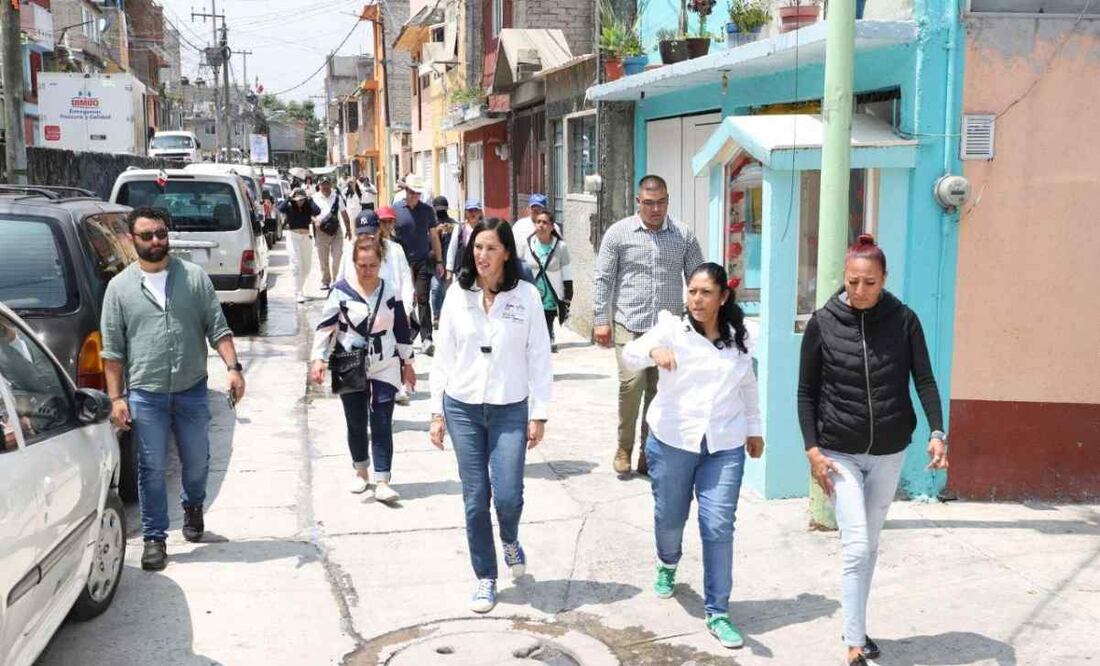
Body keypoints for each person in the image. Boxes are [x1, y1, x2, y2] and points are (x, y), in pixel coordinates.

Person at [798, 234, 948, 666]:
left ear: (884, 280)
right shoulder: (824, 322)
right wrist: (812, 449)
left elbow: (924, 379)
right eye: (853, 282)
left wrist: (938, 431)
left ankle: (858, 629)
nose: (860, 291)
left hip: (889, 448)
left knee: (872, 543)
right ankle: (852, 645)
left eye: (869, 283)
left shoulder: (904, 320)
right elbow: (806, 392)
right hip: (838, 451)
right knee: (857, 546)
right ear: (843, 279)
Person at [622, 262, 763, 650]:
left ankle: (717, 611)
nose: (697, 300)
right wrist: (654, 349)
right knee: (670, 518)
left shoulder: (741, 337)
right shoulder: (672, 328)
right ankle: (668, 562)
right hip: (672, 442)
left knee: (718, 525)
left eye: (705, 293)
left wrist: (754, 428)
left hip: (724, 444)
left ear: (723, 297)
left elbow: (747, 384)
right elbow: (631, 355)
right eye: (692, 292)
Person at [100, 207, 246, 571]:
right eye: (147, 236)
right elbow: (112, 351)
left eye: (161, 234)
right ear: (131, 240)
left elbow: (218, 327)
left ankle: (193, 505)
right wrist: (116, 397)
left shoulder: (193, 277)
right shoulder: (118, 289)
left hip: (191, 389)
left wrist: (233, 368)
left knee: (197, 462)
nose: (155, 242)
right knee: (151, 467)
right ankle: (155, 538)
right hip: (146, 394)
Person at [429, 217, 553, 614]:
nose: (482, 256)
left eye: (491, 249)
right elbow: (443, 355)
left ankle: (511, 539)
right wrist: (436, 412)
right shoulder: (456, 294)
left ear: (506, 254)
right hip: (462, 407)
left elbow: (539, 357)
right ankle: (486, 576)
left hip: (509, 408)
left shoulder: (527, 297)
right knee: (474, 497)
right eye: (477, 248)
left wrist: (541, 413)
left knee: (509, 496)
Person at [593, 174, 705, 477]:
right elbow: (603, 277)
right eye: (649, 203)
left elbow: (698, 278)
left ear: (668, 201)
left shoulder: (683, 235)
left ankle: (647, 452)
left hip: (667, 329)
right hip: (629, 324)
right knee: (632, 385)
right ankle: (623, 447)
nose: (655, 209)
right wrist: (601, 319)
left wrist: (700, 320)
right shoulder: (618, 234)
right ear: (638, 202)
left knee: (659, 393)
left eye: (661, 203)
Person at [311, 242, 417, 504]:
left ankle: (382, 480)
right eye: (362, 265)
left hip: (384, 361)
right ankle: (360, 470)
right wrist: (318, 359)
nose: (367, 270)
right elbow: (325, 327)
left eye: (373, 265)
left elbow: (401, 328)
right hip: (348, 359)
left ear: (380, 263)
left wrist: (408, 363)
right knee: (356, 420)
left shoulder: (390, 290)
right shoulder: (340, 291)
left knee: (382, 420)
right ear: (354, 263)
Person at [392, 174, 444, 355]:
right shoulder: (396, 210)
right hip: (402, 263)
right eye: (412, 192)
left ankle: (427, 338)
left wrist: (439, 261)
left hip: (422, 261)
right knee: (405, 300)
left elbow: (434, 237)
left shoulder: (428, 211)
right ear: (405, 191)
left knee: (423, 298)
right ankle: (406, 333)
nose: (415, 196)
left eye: (417, 193)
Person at [517, 210, 572, 353]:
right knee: (529, 334)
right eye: (538, 222)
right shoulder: (527, 244)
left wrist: (567, 298)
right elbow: (518, 268)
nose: (541, 225)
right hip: (530, 296)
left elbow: (567, 274)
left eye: (545, 222)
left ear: (552, 227)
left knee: (545, 333)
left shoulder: (561, 247)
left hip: (550, 299)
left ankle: (546, 367)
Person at [279, 188, 322, 303]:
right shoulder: (289, 206)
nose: (300, 202)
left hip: (306, 237)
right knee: (296, 265)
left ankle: (300, 289)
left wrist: (310, 199)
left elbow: (317, 211)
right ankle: (298, 292)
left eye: (302, 199)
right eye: (297, 199)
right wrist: (289, 197)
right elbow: (280, 208)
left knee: (306, 266)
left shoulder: (308, 206)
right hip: (293, 236)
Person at [312, 177, 353, 290]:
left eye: (327, 184)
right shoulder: (314, 198)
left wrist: (348, 230)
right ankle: (325, 281)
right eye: (323, 185)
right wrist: (315, 221)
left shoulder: (337, 197)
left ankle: (336, 280)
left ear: (331, 185)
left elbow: (344, 214)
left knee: (337, 257)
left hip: (336, 230)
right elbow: (310, 213)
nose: (325, 187)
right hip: (321, 231)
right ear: (319, 186)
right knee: (323, 258)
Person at [431, 195, 457, 328]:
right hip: (433, 262)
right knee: (435, 288)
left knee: (445, 290)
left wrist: (450, 229)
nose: (441, 213)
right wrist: (436, 231)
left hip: (448, 262)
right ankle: (436, 315)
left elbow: (457, 238)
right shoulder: (431, 223)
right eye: (438, 209)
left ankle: (446, 316)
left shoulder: (452, 223)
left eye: (443, 210)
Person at [446, 199, 482, 281]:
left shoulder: (484, 228)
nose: (473, 213)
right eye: (470, 211)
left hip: (480, 267)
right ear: (466, 213)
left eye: (475, 210)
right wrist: (449, 269)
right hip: (463, 268)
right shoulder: (460, 228)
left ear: (480, 212)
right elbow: (452, 248)